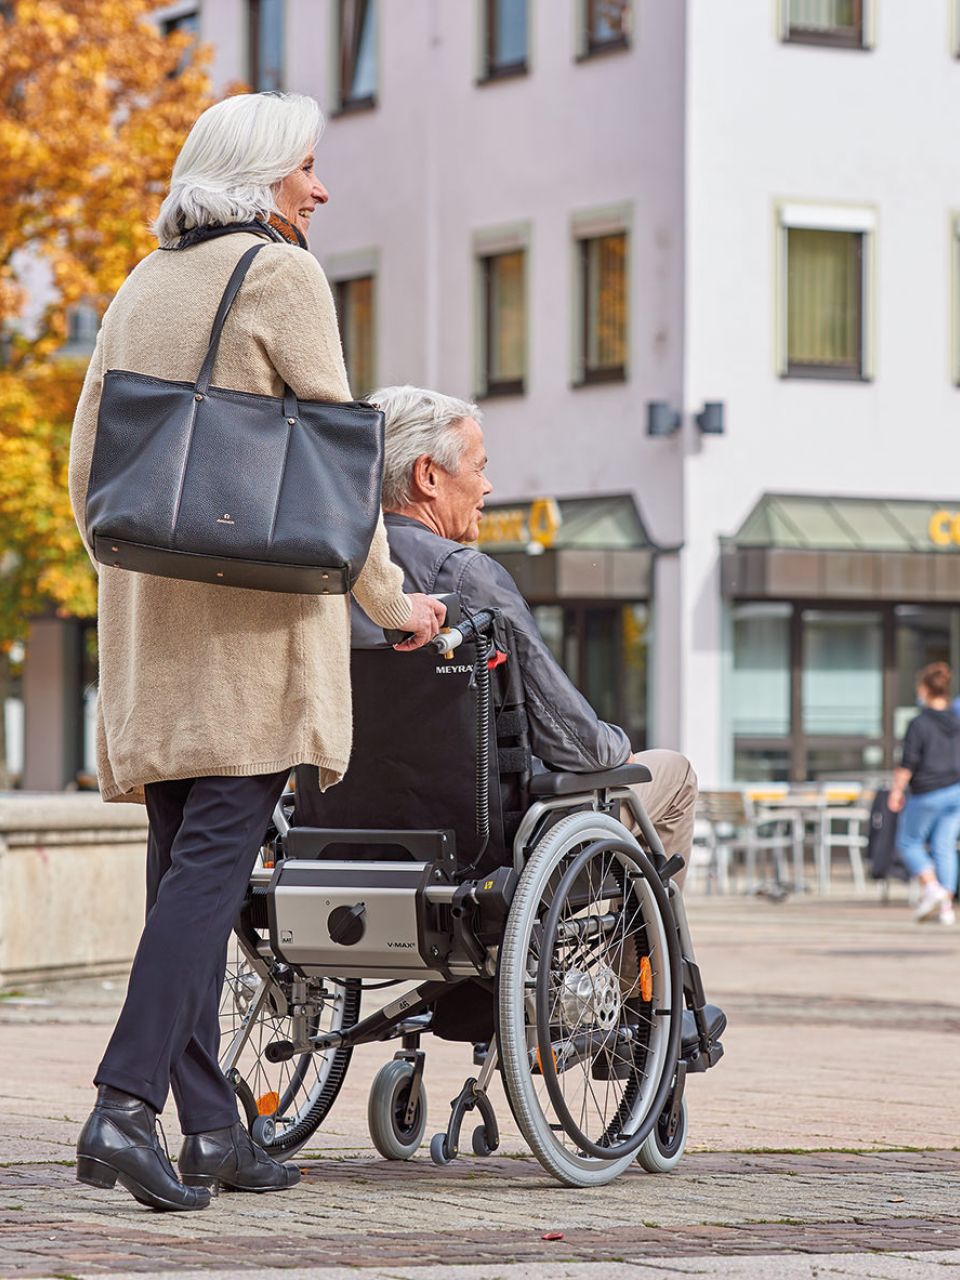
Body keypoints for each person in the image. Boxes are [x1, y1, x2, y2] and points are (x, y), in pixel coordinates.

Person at [67, 94, 444, 1211]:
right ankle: (124, 1106)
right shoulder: (281, 277)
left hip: (153, 629)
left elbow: (90, 468)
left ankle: (213, 1128)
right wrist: (395, 601)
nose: (319, 189)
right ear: (264, 174)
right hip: (246, 636)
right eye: (309, 169)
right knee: (210, 875)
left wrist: (147, 574)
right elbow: (337, 466)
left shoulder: (141, 282)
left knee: (182, 877)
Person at [352, 385, 699, 885]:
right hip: (489, 847)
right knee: (673, 772)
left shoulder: (327, 577)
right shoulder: (467, 577)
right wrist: (614, 747)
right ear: (428, 475)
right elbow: (573, 741)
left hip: (342, 835)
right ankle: (644, 965)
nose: (488, 486)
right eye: (478, 468)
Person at [888, 662, 960, 925]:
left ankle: (934, 889)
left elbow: (908, 761)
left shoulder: (920, 723)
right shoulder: (956, 719)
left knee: (908, 842)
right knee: (944, 846)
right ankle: (946, 908)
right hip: (956, 790)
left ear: (926, 689)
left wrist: (896, 790)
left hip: (928, 791)